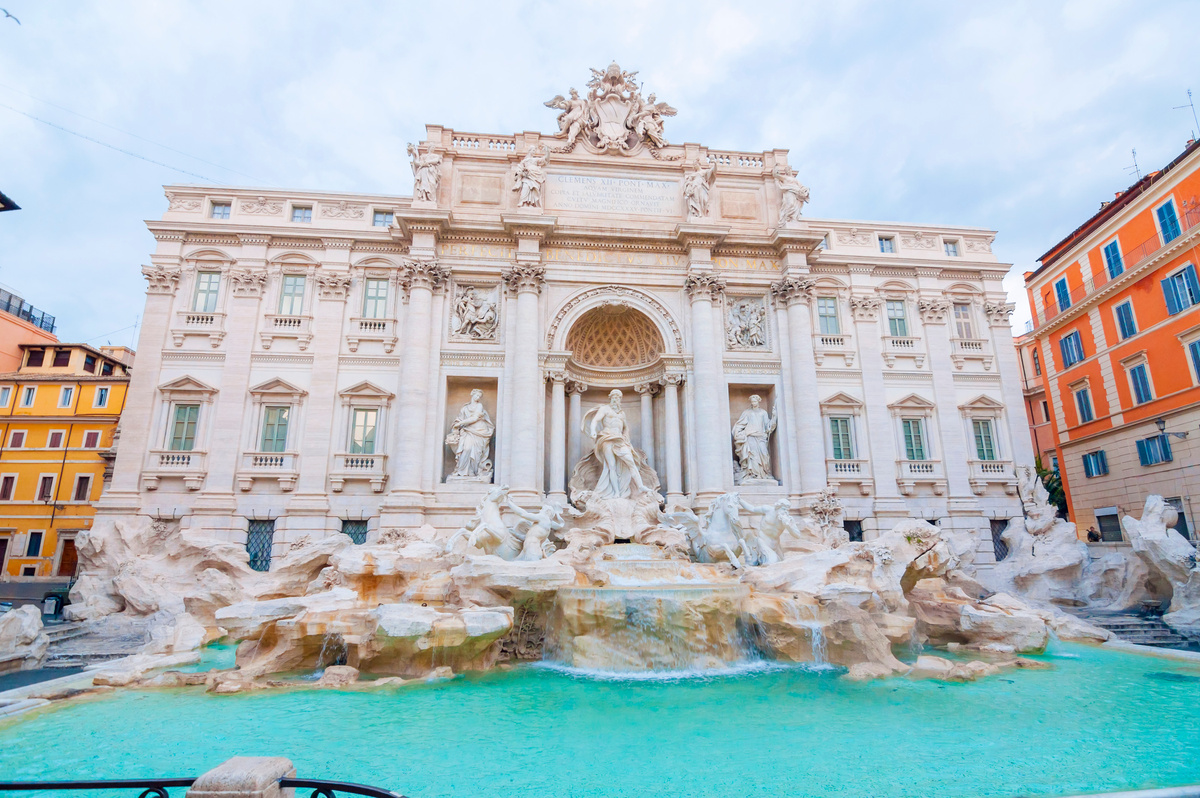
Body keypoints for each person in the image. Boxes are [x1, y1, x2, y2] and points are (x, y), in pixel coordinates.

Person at [582, 389, 648, 499]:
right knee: (611, 466)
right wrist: (593, 431)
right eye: (613, 397)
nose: (615, 399)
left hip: (620, 440)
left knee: (631, 462)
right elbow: (595, 420)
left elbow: (625, 427)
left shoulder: (622, 414)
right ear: (610, 398)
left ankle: (640, 486)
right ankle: (616, 492)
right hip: (607, 438)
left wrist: (626, 437)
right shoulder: (605, 409)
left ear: (620, 400)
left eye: (617, 397)